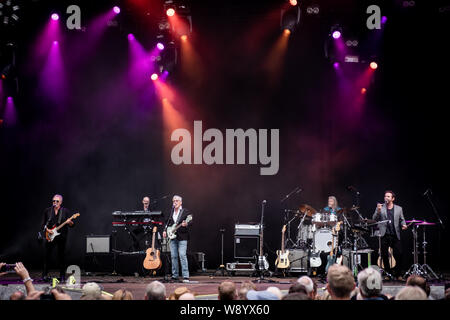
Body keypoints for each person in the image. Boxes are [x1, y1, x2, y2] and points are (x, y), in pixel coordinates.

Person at [373, 190, 407, 281]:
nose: (386, 198)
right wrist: (378, 211)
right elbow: (374, 219)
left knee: (399, 254)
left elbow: (402, 219)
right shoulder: (380, 207)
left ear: (393, 198)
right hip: (384, 234)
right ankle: (388, 273)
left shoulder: (399, 208)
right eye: (385, 196)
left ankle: (398, 274)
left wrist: (403, 224)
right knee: (384, 255)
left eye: (388, 196)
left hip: (395, 234)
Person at [41, 194, 76, 281]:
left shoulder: (65, 211)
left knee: (61, 256)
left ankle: (62, 276)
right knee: (47, 256)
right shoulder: (48, 211)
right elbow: (42, 224)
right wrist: (47, 230)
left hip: (62, 236)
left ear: (60, 202)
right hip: (50, 236)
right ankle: (44, 275)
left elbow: (72, 225)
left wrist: (70, 222)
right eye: (53, 201)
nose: (55, 203)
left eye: (57, 201)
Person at [163, 195, 192, 282]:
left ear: (180, 202)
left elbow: (191, 220)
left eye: (176, 201)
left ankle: (185, 275)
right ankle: (175, 275)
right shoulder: (171, 212)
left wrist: (186, 224)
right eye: (173, 201)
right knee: (173, 256)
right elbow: (167, 223)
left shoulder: (185, 211)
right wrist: (165, 230)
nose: (174, 202)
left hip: (183, 237)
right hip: (172, 237)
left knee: (182, 255)